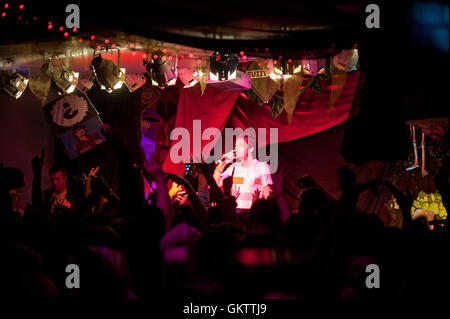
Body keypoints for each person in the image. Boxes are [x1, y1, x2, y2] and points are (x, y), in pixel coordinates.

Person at [213, 134, 273, 211]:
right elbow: (216, 183)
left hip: (253, 214)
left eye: (240, 145)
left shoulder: (262, 167)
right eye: (235, 145)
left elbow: (267, 193)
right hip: (235, 214)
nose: (236, 148)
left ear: (251, 148)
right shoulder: (234, 167)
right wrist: (223, 162)